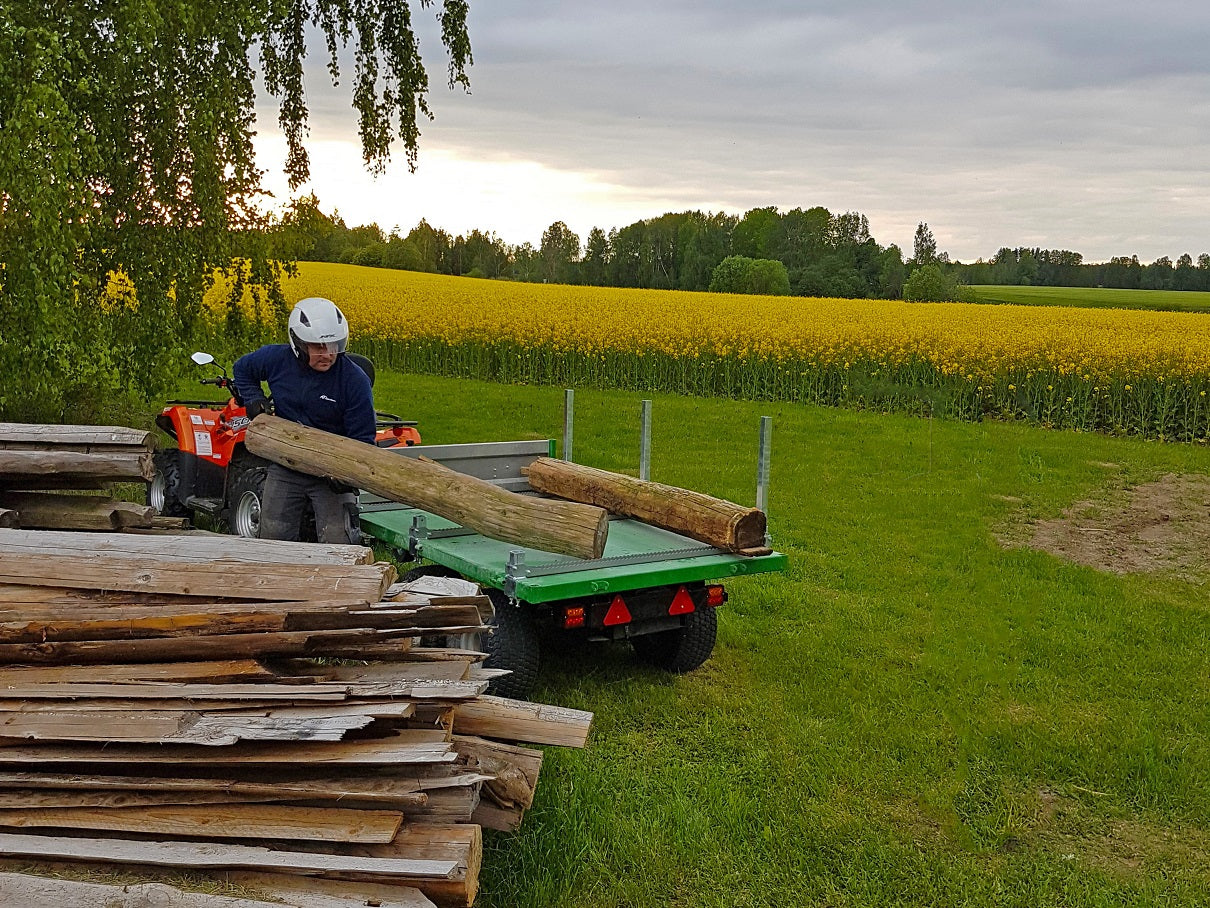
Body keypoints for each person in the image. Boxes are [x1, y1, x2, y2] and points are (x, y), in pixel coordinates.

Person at [233, 297, 376, 544]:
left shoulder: (355, 381)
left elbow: (363, 439)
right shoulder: (275, 359)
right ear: (298, 344)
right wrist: (254, 400)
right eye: (318, 347)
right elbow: (242, 369)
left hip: (332, 470)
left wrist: (349, 474)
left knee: (338, 542)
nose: (328, 354)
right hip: (286, 460)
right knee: (273, 535)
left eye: (334, 345)